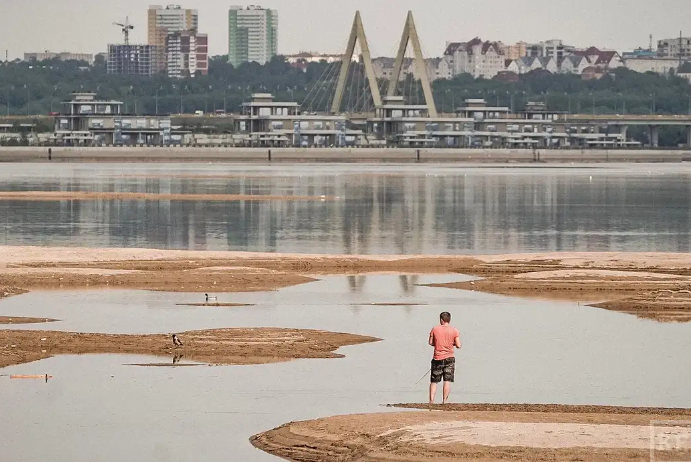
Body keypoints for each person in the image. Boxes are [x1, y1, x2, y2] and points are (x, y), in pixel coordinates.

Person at [428, 311, 461, 404]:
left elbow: (431, 342)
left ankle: (431, 401)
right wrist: (452, 343)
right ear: (449, 320)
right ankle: (444, 401)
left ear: (441, 320)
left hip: (437, 358)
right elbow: (458, 345)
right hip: (449, 358)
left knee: (434, 381)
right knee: (447, 380)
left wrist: (438, 343)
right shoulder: (454, 330)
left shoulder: (435, 329)